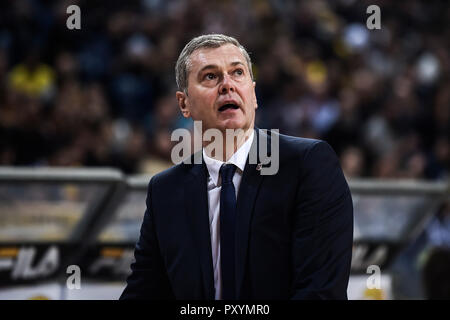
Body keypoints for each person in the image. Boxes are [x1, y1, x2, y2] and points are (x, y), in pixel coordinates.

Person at [120, 34, 353, 300]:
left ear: (253, 94)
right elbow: (142, 293)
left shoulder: (306, 165)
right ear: (184, 104)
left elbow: (321, 292)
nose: (227, 85)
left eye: (237, 72)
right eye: (210, 76)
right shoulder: (165, 190)